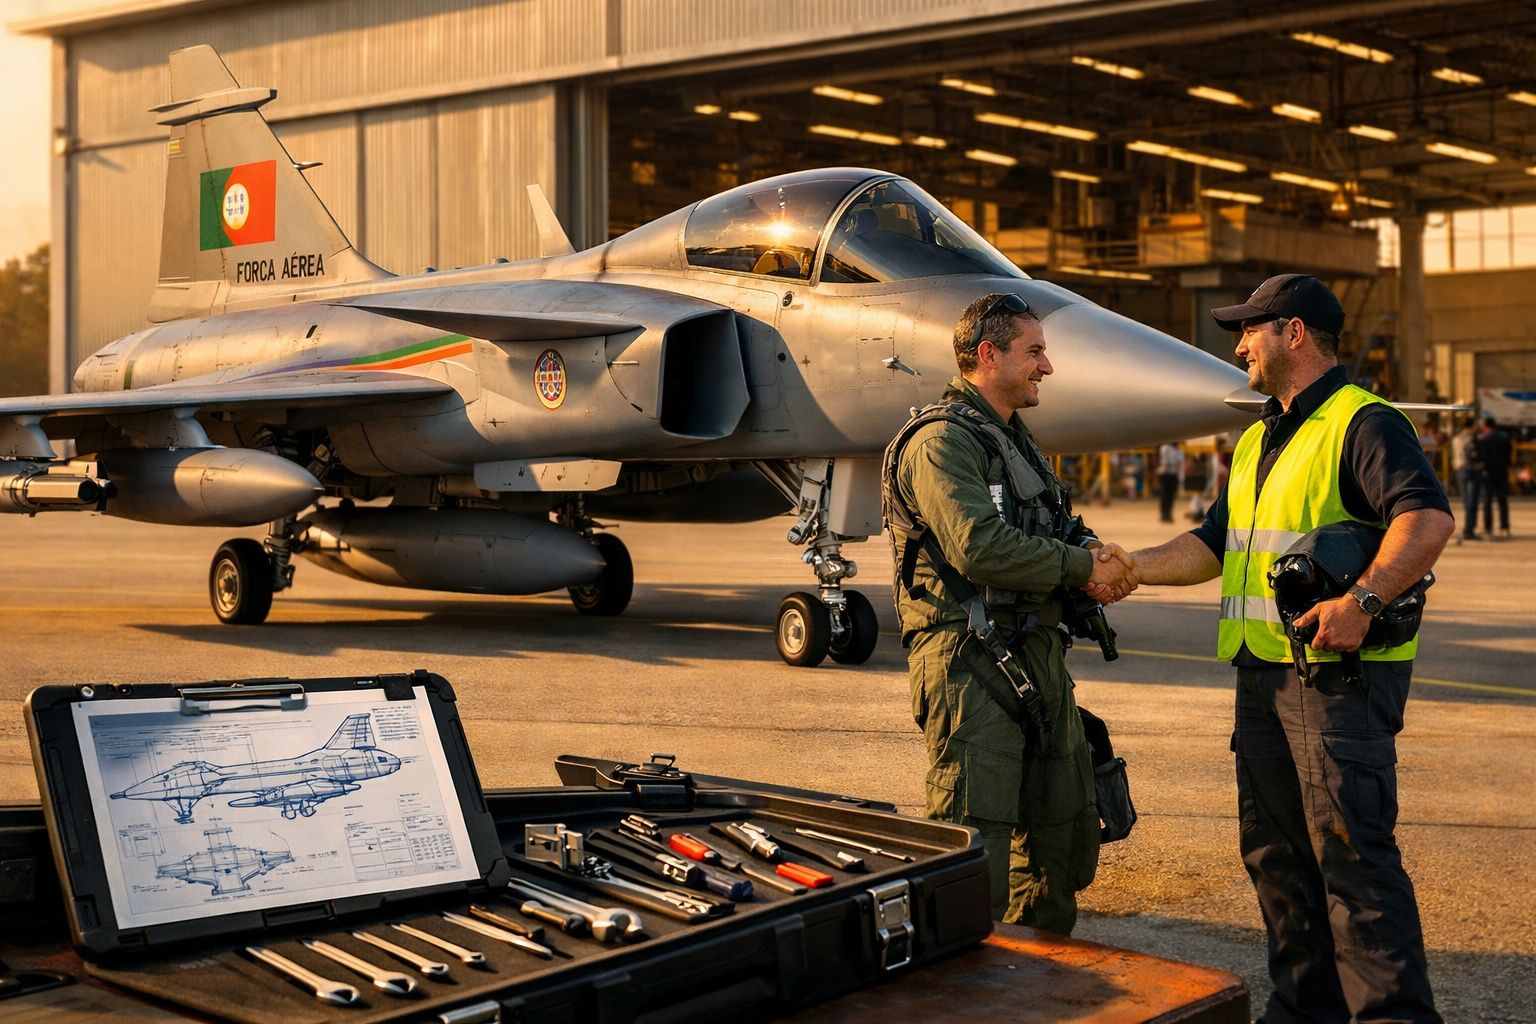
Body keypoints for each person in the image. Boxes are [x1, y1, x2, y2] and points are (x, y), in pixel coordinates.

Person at [1124, 274, 1453, 1024]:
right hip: (1264, 679)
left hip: (1337, 683)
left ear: (1293, 333)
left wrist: (1362, 602)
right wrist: (1129, 567)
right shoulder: (1257, 439)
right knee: (1277, 858)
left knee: (1352, 862)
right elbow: (1215, 544)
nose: (1239, 345)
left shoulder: (1362, 422)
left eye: (1250, 329)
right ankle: (1305, 1011)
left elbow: (1427, 519)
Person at [884, 292, 1136, 933]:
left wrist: (1091, 550)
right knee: (979, 837)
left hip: (1036, 652)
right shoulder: (941, 442)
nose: (1046, 366)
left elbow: (1055, 523)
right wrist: (1083, 568)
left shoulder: (1013, 440)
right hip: (970, 660)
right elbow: (979, 547)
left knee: (1063, 827)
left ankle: (1039, 966)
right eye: (1035, 352)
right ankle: (974, 975)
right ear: (988, 355)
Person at [1476, 415, 1513, 539]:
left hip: (1487, 474)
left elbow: (1480, 457)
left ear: (1485, 426)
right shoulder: (1504, 438)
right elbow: (1508, 455)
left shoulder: (1482, 439)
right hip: (1502, 473)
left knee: (1487, 502)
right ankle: (1504, 527)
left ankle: (1488, 528)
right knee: (1503, 501)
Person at [1451, 417, 1482, 541]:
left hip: (1460, 470)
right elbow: (1473, 455)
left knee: (1466, 501)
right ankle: (1469, 529)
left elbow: (1453, 455)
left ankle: (1468, 528)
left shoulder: (1456, 439)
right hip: (1471, 470)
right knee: (1472, 501)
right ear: (1472, 425)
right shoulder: (1472, 438)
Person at [1155, 441, 1185, 522]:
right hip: (1165, 474)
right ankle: (1164, 515)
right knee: (1165, 495)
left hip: (1173, 474)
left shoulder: (1179, 450)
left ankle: (1169, 514)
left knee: (1171, 496)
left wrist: (1180, 477)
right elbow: (1165, 461)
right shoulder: (1165, 447)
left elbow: (1180, 463)